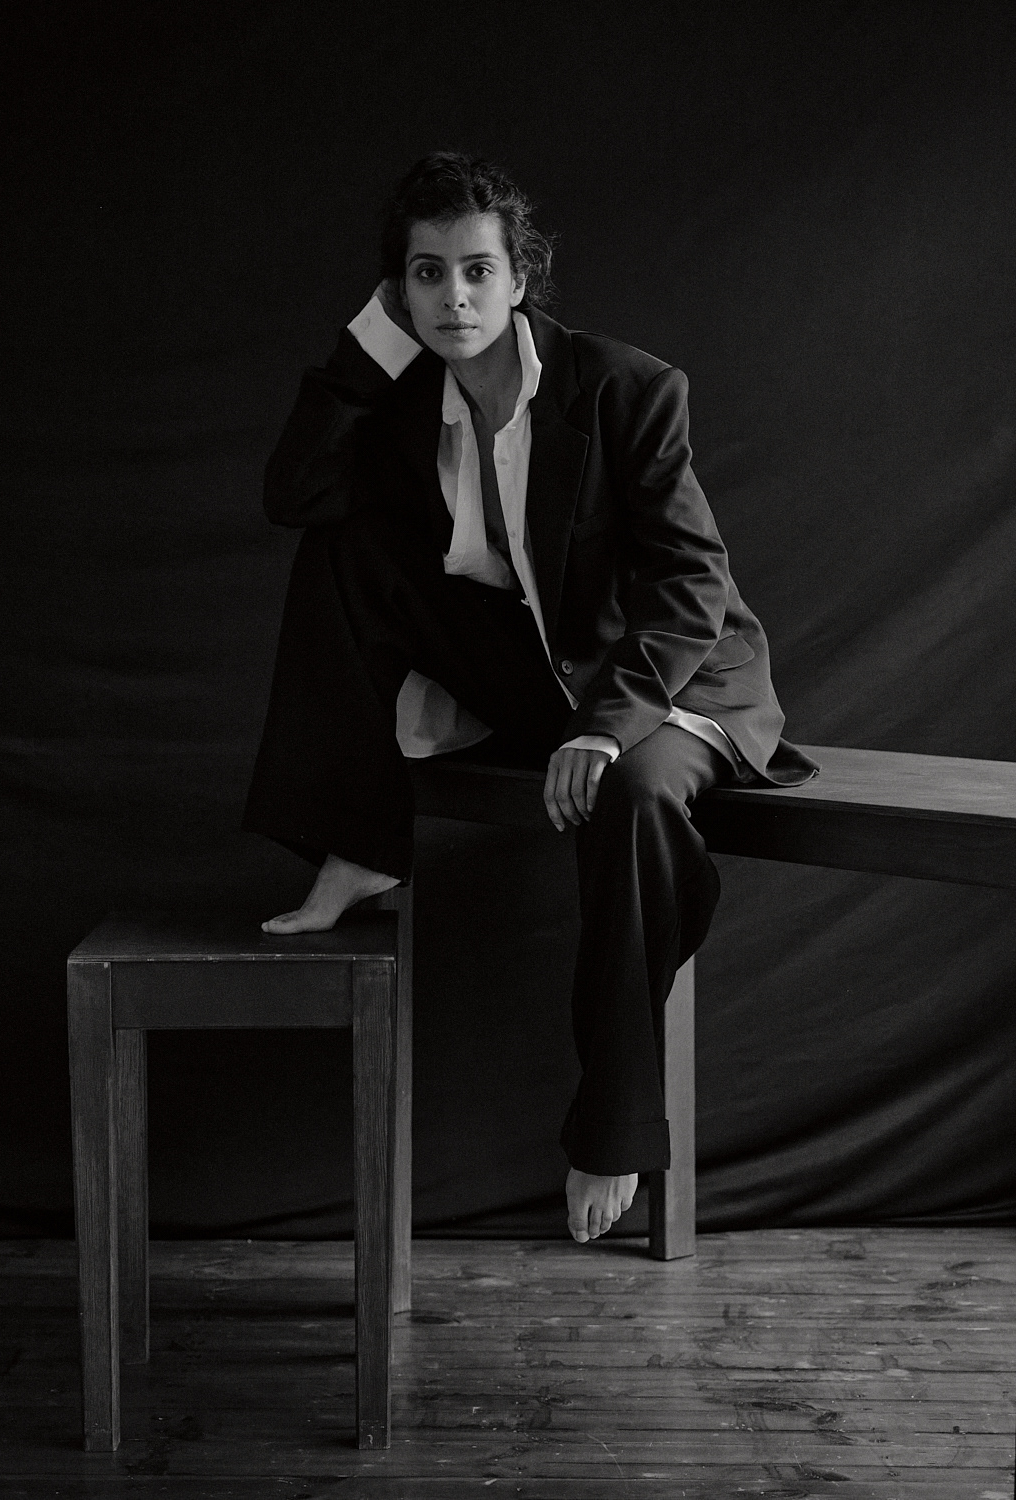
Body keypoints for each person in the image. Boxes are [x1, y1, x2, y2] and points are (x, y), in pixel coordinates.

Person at [243, 152, 816, 1245]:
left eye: (476, 271)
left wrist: (606, 729)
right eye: (426, 275)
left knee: (635, 798)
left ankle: (613, 1124)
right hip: (543, 675)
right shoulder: (409, 403)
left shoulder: (622, 388)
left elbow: (691, 584)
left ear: (520, 279)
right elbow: (295, 494)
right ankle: (359, 839)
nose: (453, 298)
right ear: (399, 292)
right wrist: (365, 351)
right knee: (337, 550)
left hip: (675, 678)